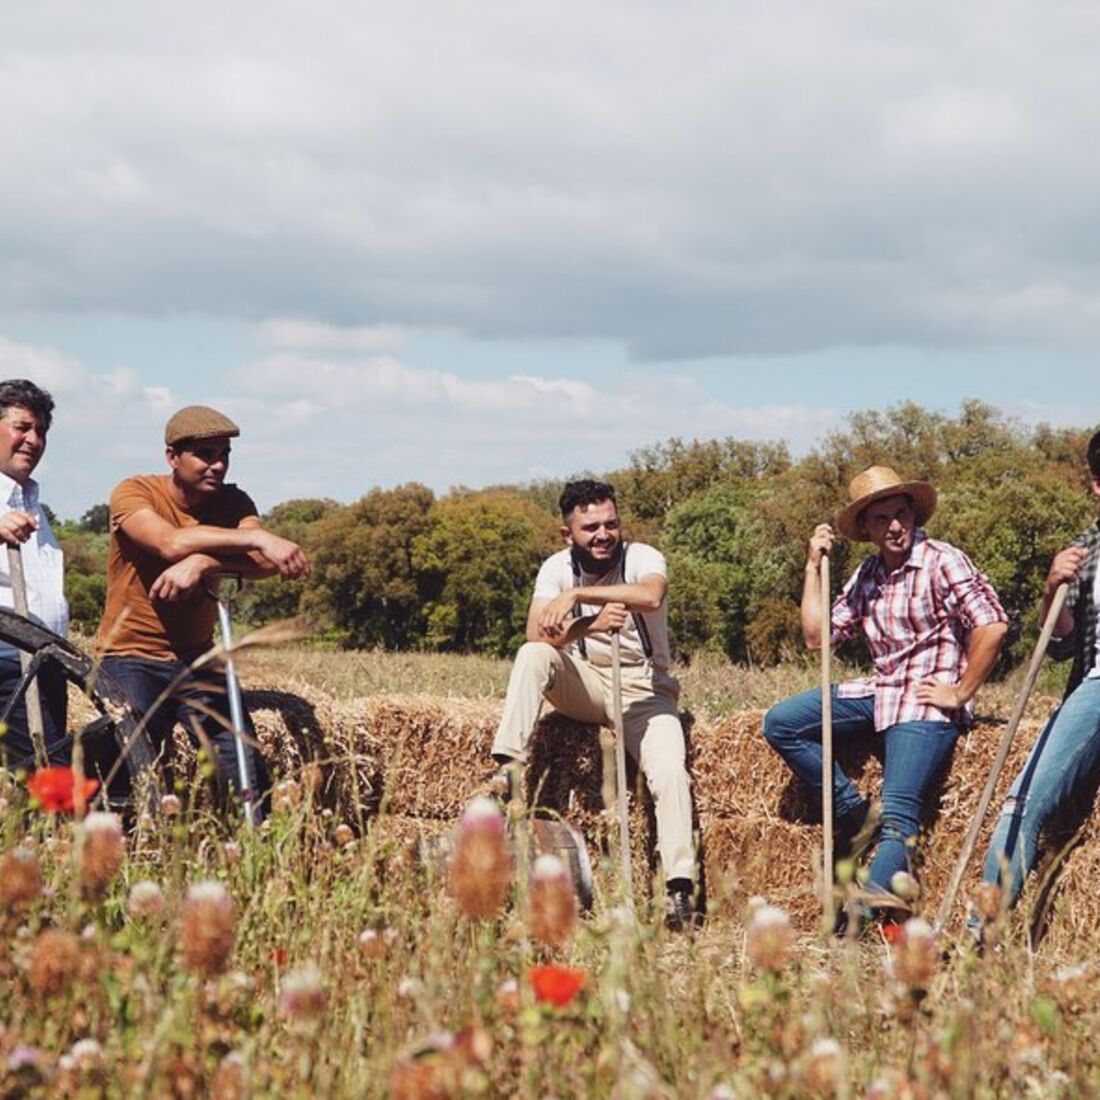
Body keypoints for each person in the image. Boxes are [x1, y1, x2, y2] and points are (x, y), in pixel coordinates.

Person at [762, 465, 1008, 919]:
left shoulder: (942, 560)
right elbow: (818, 637)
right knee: (781, 722)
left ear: (913, 513)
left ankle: (862, 920)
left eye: (901, 514)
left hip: (923, 700)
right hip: (881, 690)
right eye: (881, 519)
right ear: (866, 529)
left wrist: (960, 692)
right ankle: (854, 812)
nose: (895, 526)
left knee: (899, 818)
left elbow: (991, 623)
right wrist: (813, 566)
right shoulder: (868, 573)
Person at [489, 479, 699, 928]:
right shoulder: (555, 568)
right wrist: (589, 623)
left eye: (610, 524)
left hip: (646, 690)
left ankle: (679, 888)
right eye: (590, 528)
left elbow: (650, 595)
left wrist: (579, 596)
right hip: (586, 684)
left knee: (669, 773)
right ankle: (508, 765)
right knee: (533, 655)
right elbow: (536, 633)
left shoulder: (642, 557)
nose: (603, 535)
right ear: (568, 534)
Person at [93, 405, 310, 816]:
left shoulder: (232, 501)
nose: (218, 465)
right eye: (205, 454)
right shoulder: (134, 492)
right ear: (172, 457)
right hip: (130, 655)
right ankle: (120, 850)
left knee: (240, 757)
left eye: (224, 454)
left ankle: (250, 848)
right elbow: (170, 543)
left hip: (198, 656)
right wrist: (257, 541)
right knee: (131, 761)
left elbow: (266, 562)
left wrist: (207, 562)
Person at [979, 429, 1100, 914]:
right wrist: (1053, 587)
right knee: (1023, 800)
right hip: (1096, 685)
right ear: (1097, 485)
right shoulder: (1085, 551)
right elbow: (1062, 642)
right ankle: (978, 937)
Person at [0, 379, 69, 769]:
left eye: (40, 431)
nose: (33, 439)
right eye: (22, 427)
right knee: (48, 778)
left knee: (36, 779)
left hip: (46, 664)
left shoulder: (33, 503)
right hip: (8, 664)